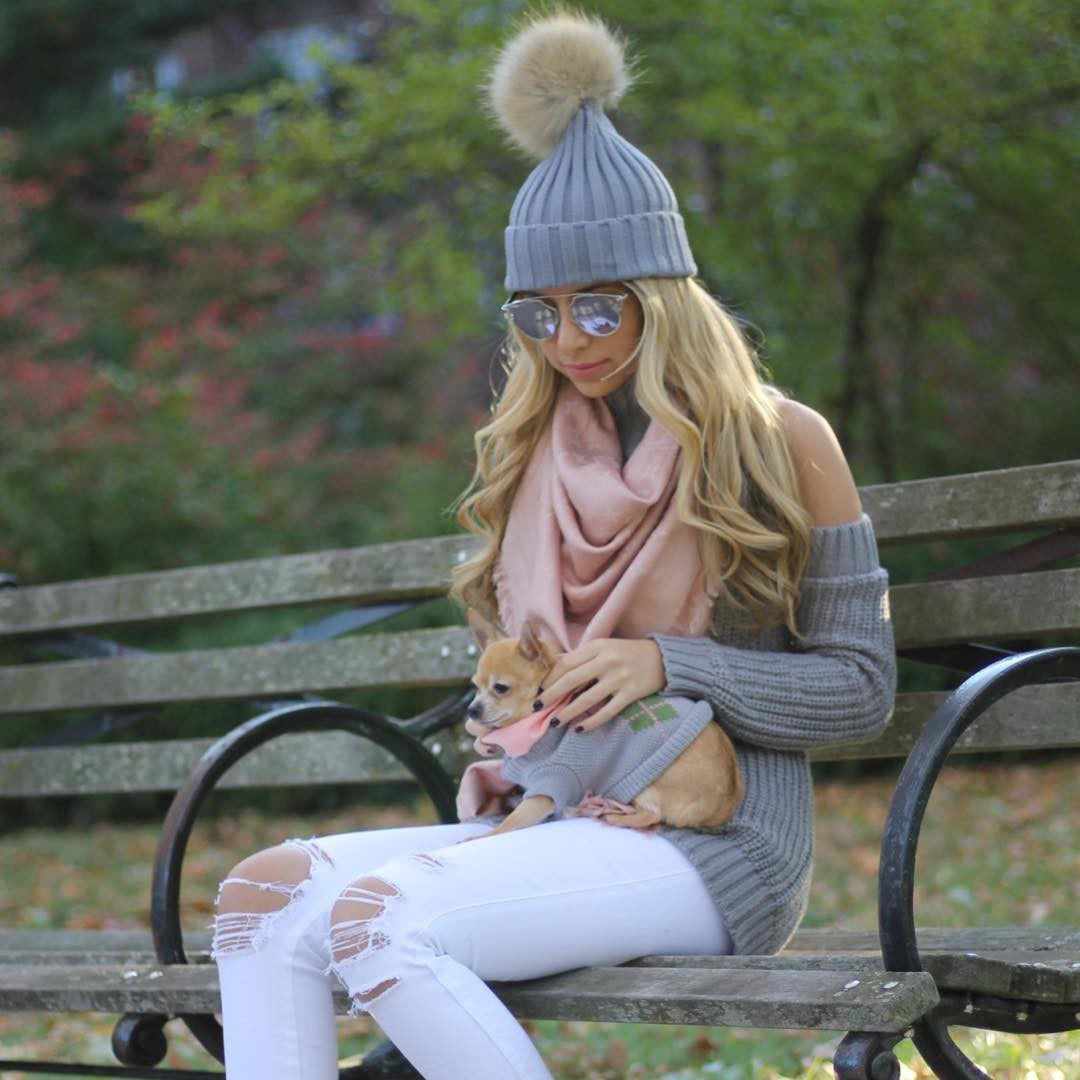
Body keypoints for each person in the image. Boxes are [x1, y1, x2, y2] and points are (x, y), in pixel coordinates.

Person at [211, 11, 896, 1080]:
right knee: (261, 896)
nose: (566, 342)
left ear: (662, 301)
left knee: (383, 922)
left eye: (597, 310)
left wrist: (670, 662)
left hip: (713, 844)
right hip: (559, 808)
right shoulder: (533, 456)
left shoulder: (780, 440)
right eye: (537, 314)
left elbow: (860, 691)